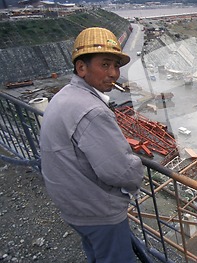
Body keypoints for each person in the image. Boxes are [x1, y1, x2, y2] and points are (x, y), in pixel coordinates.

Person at [40, 27, 144, 263]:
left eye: (116, 66)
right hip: (96, 210)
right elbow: (121, 171)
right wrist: (135, 164)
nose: (114, 73)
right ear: (81, 68)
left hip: (72, 203)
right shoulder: (93, 111)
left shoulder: (65, 95)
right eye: (105, 65)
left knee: (97, 254)